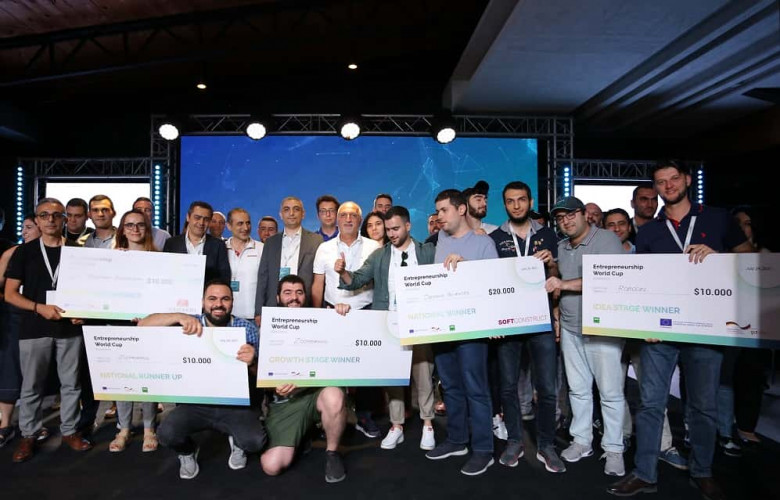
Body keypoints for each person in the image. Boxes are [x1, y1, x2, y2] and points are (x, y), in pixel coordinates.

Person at [608, 160, 752, 500]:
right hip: (661, 331)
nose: (669, 186)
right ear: (655, 188)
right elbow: (642, 282)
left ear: (687, 180)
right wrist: (644, 325)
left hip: (706, 327)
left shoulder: (717, 218)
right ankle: (645, 473)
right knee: (650, 403)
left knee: (703, 405)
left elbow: (749, 259)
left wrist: (718, 257)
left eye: (674, 179)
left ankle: (703, 471)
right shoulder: (649, 231)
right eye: (661, 182)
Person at [139, 279, 264, 479]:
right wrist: (179, 316)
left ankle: (238, 443)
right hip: (196, 404)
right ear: (203, 302)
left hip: (235, 404)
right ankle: (187, 451)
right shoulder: (188, 324)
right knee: (166, 434)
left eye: (225, 299)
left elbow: (261, 376)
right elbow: (143, 325)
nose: (218, 304)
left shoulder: (246, 328)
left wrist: (253, 361)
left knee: (255, 441)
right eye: (212, 299)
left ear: (232, 302)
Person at [337, 205, 437, 451]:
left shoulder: (427, 251)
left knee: (423, 374)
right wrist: (343, 272)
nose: (391, 233)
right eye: (388, 229)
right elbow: (357, 280)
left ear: (408, 226)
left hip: (421, 323)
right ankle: (396, 426)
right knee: (394, 377)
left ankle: (428, 424)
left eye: (396, 228)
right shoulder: (380, 256)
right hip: (390, 324)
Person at [4, 198, 92, 462]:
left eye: (56, 215)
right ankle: (28, 434)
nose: (51, 220)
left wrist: (84, 312)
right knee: (31, 386)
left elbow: (89, 291)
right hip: (34, 327)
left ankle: (70, 431)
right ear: (37, 220)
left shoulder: (77, 251)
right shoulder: (24, 252)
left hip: (69, 328)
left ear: (65, 219)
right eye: (44, 215)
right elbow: (10, 294)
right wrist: (38, 307)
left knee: (71, 385)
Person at [544, 196, 626, 477]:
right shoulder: (562, 246)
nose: (565, 221)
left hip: (602, 327)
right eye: (560, 218)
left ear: (583, 215)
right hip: (570, 327)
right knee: (577, 390)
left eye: (570, 215)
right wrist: (556, 313)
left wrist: (563, 283)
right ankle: (582, 441)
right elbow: (556, 284)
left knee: (610, 393)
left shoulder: (606, 239)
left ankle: (614, 449)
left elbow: (610, 278)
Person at [489, 181, 565, 472]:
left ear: (530, 202)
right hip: (509, 322)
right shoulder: (495, 238)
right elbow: (488, 281)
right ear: (504, 204)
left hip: (540, 320)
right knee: (508, 388)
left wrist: (551, 264)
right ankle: (514, 441)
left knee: (546, 388)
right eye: (510, 201)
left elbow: (557, 277)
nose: (516, 205)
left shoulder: (547, 235)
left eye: (521, 199)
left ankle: (547, 445)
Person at [425, 189, 498, 476]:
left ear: (461, 210)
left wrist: (468, 270)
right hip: (443, 328)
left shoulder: (483, 243)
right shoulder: (440, 240)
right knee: (451, 387)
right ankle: (457, 440)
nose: (439, 216)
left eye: (444, 210)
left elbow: (494, 285)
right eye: (437, 211)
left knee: (476, 389)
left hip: (473, 329)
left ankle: (484, 450)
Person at [260, 274, 348, 483]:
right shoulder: (266, 329)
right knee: (271, 466)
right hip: (286, 403)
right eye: (288, 293)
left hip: (316, 394)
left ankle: (332, 453)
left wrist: (342, 314)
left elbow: (345, 339)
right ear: (278, 298)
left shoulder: (321, 321)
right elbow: (260, 374)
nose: (294, 298)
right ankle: (305, 434)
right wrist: (274, 387)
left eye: (299, 292)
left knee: (334, 396)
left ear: (305, 296)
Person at [312, 202, 382, 440]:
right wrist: (316, 315)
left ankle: (364, 416)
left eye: (353, 215)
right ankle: (333, 418)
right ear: (337, 219)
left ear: (360, 220)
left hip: (365, 311)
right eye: (344, 215)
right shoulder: (324, 248)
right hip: (333, 313)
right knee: (334, 368)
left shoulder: (374, 247)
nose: (348, 219)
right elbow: (318, 284)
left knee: (367, 369)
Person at [108, 210, 159, 453]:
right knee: (123, 377)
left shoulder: (160, 259)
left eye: (140, 225)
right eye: (129, 225)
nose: (135, 229)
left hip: (150, 324)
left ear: (147, 229)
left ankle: (149, 428)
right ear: (122, 229)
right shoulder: (112, 258)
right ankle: (124, 428)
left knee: (148, 376)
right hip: (119, 323)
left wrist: (149, 314)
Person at [0, 214, 42, 448]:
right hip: (14, 317)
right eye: (23, 228)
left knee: (35, 375)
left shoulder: (56, 251)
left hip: (43, 317)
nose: (24, 232)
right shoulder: (11, 253)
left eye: (29, 227)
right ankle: (6, 423)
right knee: (10, 371)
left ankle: (33, 424)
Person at [254, 197, 323, 324]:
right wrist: (258, 311)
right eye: (287, 209)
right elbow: (263, 277)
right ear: (281, 214)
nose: (291, 213)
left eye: (296, 209)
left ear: (303, 214)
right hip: (274, 306)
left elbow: (319, 278)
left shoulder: (316, 240)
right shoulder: (270, 242)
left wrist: (318, 309)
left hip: (305, 305)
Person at [163, 201, 231, 283]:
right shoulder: (171, 243)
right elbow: (165, 273)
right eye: (197, 218)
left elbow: (224, 277)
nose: (201, 223)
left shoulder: (218, 245)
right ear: (188, 217)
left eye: (206, 219)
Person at [226, 208, 263, 321]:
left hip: (254, 317)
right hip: (226, 316)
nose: (246, 228)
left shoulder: (262, 248)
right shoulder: (221, 248)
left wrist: (261, 312)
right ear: (229, 226)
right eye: (240, 224)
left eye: (248, 223)